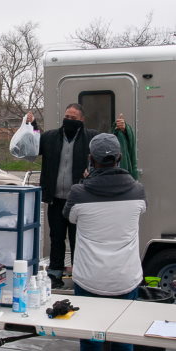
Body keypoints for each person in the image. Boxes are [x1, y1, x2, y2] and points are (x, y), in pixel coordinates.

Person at [63, 133, 146, 351]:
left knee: (90, 334)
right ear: (119, 158)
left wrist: (85, 181)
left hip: (90, 277)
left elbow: (69, 216)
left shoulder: (79, 193)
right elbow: (141, 210)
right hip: (125, 277)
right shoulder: (137, 190)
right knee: (123, 334)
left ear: (91, 159)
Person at [27, 104, 127, 288]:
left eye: (73, 118)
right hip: (55, 199)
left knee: (77, 240)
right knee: (56, 238)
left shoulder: (92, 138)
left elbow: (109, 146)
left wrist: (121, 130)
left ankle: (79, 274)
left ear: (82, 120)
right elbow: (34, 144)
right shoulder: (50, 137)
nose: (69, 121)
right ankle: (54, 274)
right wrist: (32, 125)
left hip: (79, 201)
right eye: (67, 117)